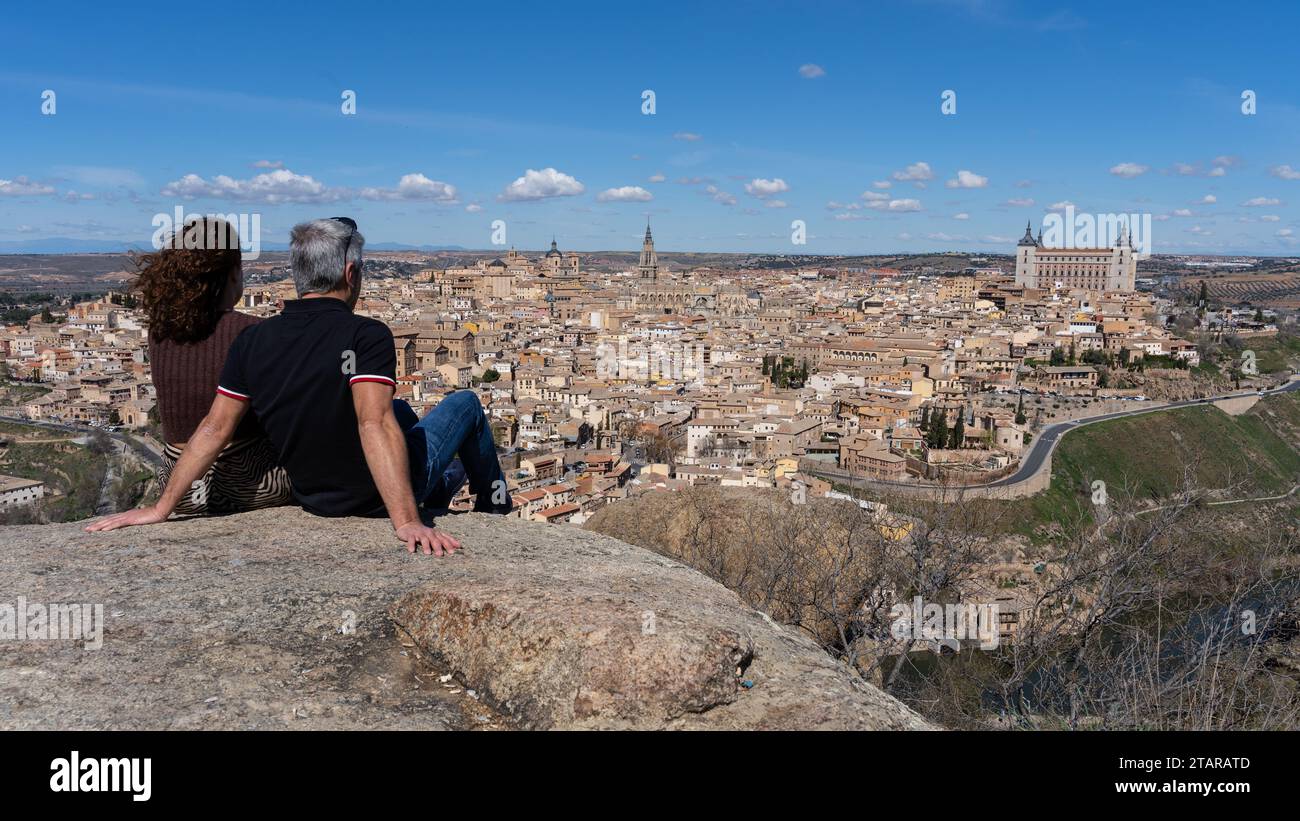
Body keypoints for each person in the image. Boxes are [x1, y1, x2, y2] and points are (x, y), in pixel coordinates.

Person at [87, 218, 510, 556]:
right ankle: (495, 509)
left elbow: (213, 428)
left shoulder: (254, 339)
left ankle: (443, 483)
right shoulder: (366, 334)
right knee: (465, 403)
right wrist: (406, 520)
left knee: (401, 413)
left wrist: (163, 507)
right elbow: (372, 424)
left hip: (314, 497)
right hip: (370, 499)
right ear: (350, 273)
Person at [137, 216, 291, 515]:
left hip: (179, 488)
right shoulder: (253, 331)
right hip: (252, 484)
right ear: (232, 274)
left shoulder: (159, 333)